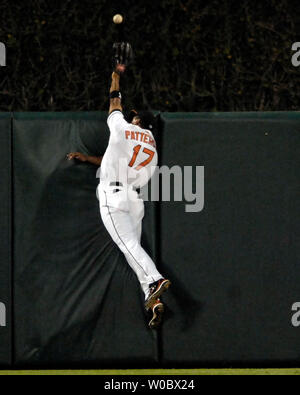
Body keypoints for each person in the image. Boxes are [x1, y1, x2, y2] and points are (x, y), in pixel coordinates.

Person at [67, 43, 171, 329]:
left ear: (138, 120)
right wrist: (89, 159)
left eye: (135, 115)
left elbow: (114, 103)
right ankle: (152, 297)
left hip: (113, 198)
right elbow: (117, 158)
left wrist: (116, 76)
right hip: (135, 200)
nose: (132, 115)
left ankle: (156, 280)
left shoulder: (124, 128)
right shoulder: (151, 145)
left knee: (130, 248)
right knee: (132, 249)